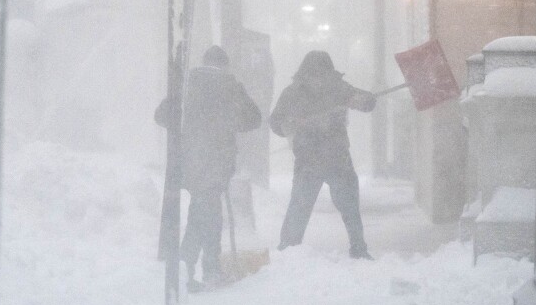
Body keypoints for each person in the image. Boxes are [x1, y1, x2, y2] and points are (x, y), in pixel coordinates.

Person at [155, 45, 261, 290]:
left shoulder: (186, 84)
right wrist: (226, 123)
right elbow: (253, 119)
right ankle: (198, 268)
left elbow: (162, 116)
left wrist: (187, 126)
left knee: (204, 213)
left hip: (188, 159)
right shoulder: (231, 85)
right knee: (206, 214)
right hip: (217, 160)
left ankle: (198, 268)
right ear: (224, 65)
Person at [269, 50, 376, 259]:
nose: (318, 80)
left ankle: (359, 249)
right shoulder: (292, 93)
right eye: (313, 75)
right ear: (304, 74)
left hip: (336, 158)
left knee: (349, 206)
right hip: (310, 159)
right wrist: (286, 125)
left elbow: (367, 102)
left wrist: (361, 100)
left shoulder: (339, 89)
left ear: (330, 74)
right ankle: (287, 250)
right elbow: (275, 122)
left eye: (322, 75)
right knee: (300, 206)